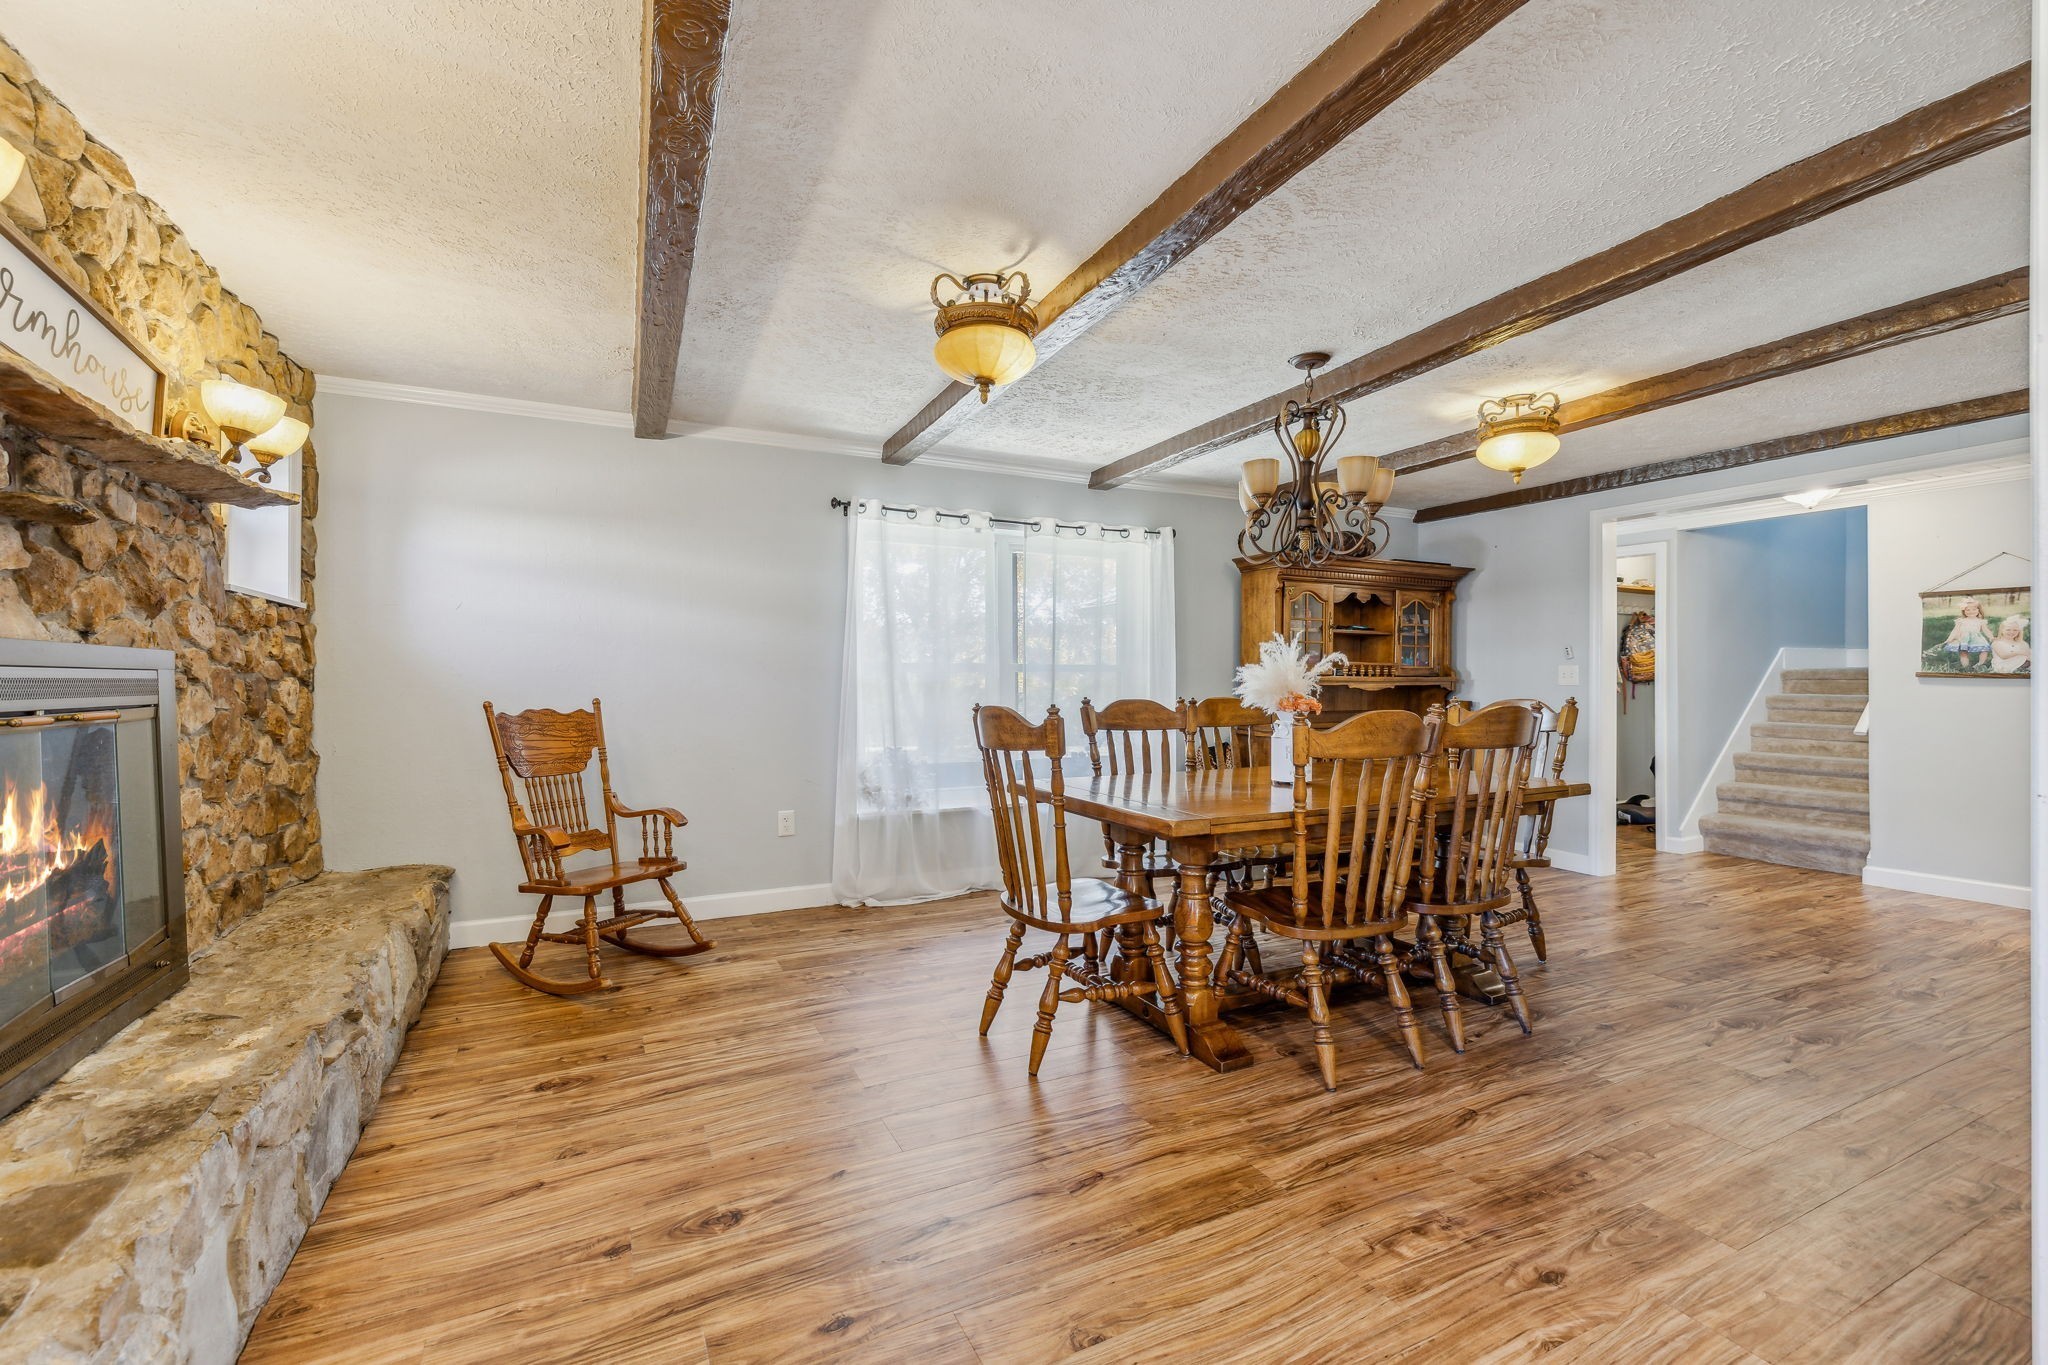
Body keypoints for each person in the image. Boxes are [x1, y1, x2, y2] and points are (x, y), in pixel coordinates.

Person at [1941, 597, 1995, 670]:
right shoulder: (1961, 621)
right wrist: (1949, 639)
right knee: (1963, 652)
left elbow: (1986, 630)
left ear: (1979, 610)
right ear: (1964, 611)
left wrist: (1991, 637)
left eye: (1974, 609)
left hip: (1976, 638)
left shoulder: (1980, 621)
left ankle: (1980, 664)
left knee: (1985, 649)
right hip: (1964, 638)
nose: (1971, 611)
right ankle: (1966, 667)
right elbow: (1955, 630)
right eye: (1968, 610)